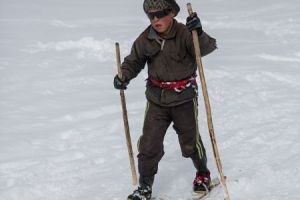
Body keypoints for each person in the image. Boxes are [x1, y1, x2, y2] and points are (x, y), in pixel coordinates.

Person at [113, 0, 217, 199]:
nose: (155, 20)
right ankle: (144, 187)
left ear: (171, 13)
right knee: (148, 145)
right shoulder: (146, 38)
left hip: (184, 98)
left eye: (160, 14)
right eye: (150, 15)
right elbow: (133, 61)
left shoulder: (185, 33)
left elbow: (206, 48)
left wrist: (199, 33)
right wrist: (123, 75)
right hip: (156, 100)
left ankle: (203, 174)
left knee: (189, 142)